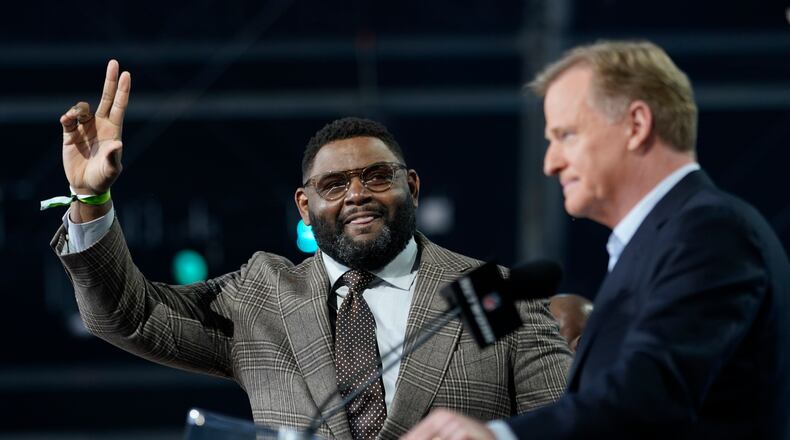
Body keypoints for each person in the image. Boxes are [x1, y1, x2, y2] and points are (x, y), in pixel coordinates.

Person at [49, 60, 573, 440]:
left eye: (376, 177)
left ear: (411, 187)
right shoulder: (261, 296)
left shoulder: (495, 294)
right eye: (335, 184)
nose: (358, 195)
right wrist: (91, 197)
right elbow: (127, 316)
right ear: (304, 205)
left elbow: (565, 425)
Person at [404, 40, 790, 439]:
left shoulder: (708, 232)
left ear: (636, 126)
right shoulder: (660, 243)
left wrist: (497, 436)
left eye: (565, 135)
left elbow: (647, 398)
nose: (550, 163)